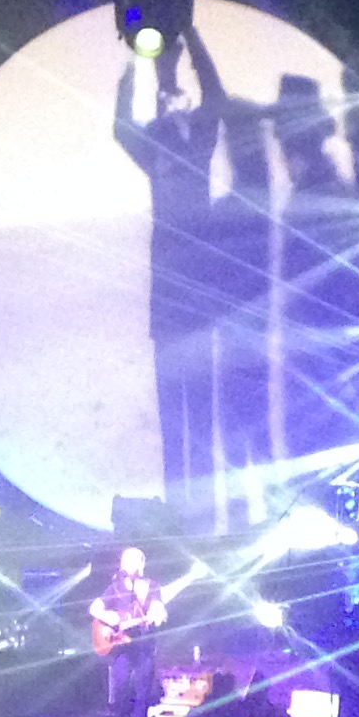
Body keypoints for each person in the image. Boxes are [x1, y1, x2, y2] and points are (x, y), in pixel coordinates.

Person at [114, 35, 228, 518]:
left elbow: (216, 96)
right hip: (168, 298)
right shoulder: (155, 149)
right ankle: (180, 508)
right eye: (164, 96)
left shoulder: (200, 141)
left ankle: (202, 507)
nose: (170, 98)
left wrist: (195, 39)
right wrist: (134, 65)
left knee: (201, 408)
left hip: (200, 293)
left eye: (175, 92)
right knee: (172, 413)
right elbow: (122, 127)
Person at [88, 549, 168, 717]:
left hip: (144, 644)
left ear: (141, 563)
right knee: (120, 687)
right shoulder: (116, 587)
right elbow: (94, 608)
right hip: (121, 647)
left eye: (132, 560)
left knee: (143, 689)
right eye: (125, 560)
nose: (127, 564)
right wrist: (110, 618)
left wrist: (157, 613)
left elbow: (157, 607)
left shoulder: (152, 586)